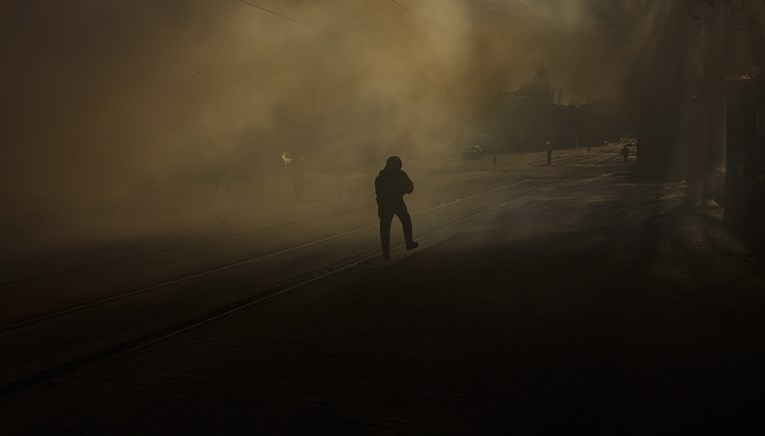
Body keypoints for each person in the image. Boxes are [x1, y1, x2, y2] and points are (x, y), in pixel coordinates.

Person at [375, 156, 418, 259]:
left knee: (385, 228)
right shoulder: (400, 174)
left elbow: (378, 191)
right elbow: (410, 187)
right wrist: (403, 190)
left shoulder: (382, 176)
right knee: (406, 221)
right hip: (397, 202)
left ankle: (386, 252)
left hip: (385, 204)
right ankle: (408, 242)